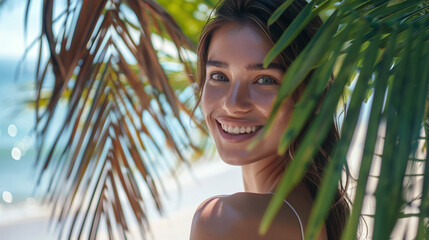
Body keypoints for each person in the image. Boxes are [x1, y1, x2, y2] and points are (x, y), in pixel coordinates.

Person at [190, 0, 350, 239]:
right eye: (219, 76)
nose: (232, 104)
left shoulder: (223, 222)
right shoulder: (315, 208)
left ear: (316, 97)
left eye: (265, 80)